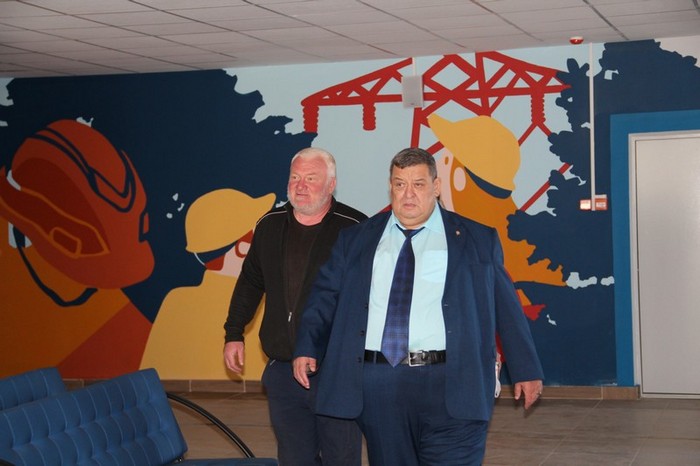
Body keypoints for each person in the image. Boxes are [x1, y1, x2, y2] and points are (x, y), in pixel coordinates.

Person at [293, 147, 544, 466]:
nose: (408, 194)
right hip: (380, 384)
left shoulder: (476, 239)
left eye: (418, 184)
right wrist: (307, 345)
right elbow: (324, 296)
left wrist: (526, 369)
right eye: (400, 184)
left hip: (453, 381)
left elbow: (506, 308)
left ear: (436, 187)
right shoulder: (357, 239)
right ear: (390, 187)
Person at [223, 147, 366, 466]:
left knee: (341, 458)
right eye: (295, 177)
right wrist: (234, 333)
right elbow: (250, 282)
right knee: (294, 458)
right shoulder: (269, 225)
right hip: (283, 370)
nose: (300, 185)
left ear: (331, 184)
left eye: (311, 178)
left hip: (336, 372)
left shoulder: (355, 228)